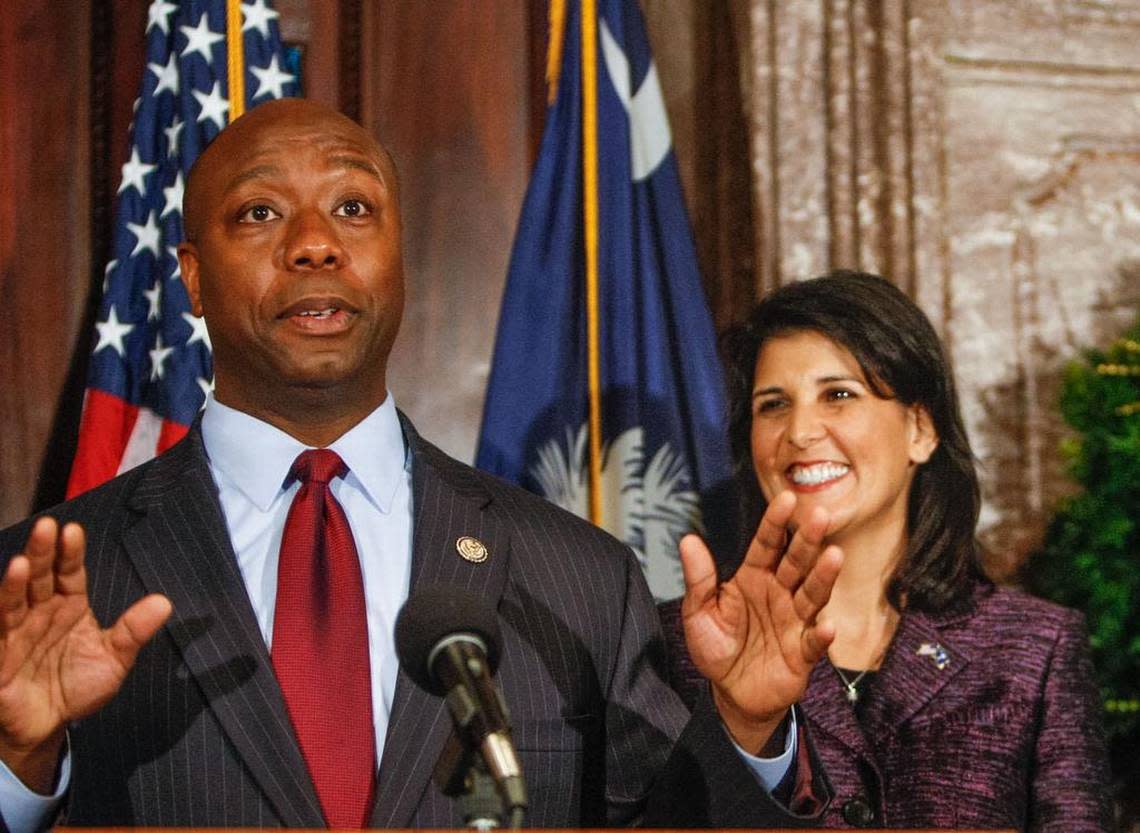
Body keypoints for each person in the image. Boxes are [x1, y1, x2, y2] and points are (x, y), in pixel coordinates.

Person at [0, 98, 843, 830]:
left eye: (354, 208)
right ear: (189, 275)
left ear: (400, 254)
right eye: (260, 213)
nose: (314, 245)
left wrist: (746, 728)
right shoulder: (48, 583)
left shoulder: (579, 576)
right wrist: (18, 763)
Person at [658, 270, 1113, 831]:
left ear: (920, 429)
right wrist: (746, 725)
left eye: (839, 395)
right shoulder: (682, 646)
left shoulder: (1033, 649)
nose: (800, 431)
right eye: (773, 404)